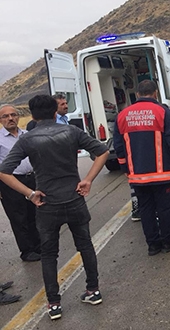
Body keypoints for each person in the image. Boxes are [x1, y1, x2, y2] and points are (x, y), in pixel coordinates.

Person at [0, 95, 109, 320]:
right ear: (54, 113)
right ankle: (93, 290)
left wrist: (30, 194)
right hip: (74, 199)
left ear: (32, 115)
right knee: (85, 246)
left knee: (49, 254)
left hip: (47, 204)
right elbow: (103, 151)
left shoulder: (27, 139)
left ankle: (54, 304)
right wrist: (87, 179)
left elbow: (4, 171)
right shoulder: (71, 131)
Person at [114, 80, 170, 256]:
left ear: (138, 95)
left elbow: (119, 146)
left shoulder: (123, 115)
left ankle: (153, 245)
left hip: (137, 174)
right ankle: (169, 241)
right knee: (165, 207)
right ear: (155, 93)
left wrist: (125, 167)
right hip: (162, 174)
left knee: (145, 209)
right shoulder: (163, 112)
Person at [0, 104, 41, 262]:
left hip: (31, 178)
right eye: (6, 116)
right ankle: (27, 250)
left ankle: (38, 246)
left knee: (34, 213)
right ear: (1, 120)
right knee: (19, 217)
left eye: (13, 115)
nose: (10, 118)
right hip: (10, 182)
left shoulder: (27, 135)